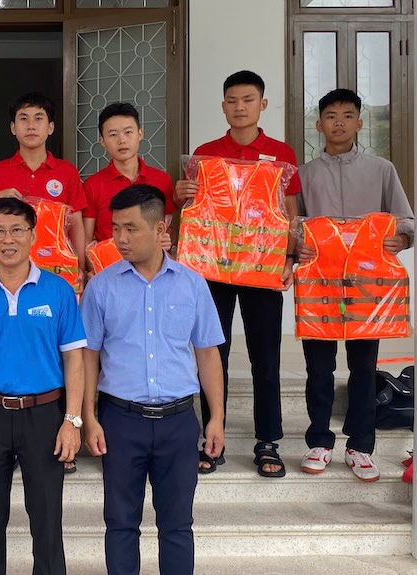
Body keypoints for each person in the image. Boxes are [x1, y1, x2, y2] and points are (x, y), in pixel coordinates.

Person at [80, 184, 225, 575]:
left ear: (160, 227)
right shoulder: (101, 287)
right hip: (120, 421)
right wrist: (88, 416)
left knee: (177, 525)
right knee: (121, 523)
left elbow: (208, 354)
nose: (121, 239)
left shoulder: (192, 284)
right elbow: (89, 356)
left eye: (131, 228)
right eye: (115, 228)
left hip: (179, 422)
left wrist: (216, 418)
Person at [0, 197, 86, 575]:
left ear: (33, 235)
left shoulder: (57, 291)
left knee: (47, 524)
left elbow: (75, 358)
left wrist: (72, 420)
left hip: (45, 415)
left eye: (17, 230)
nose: (8, 239)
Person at [173, 70, 299, 477]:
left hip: (262, 266)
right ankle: (214, 435)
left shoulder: (281, 154)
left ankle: (268, 440)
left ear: (262, 104)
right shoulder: (206, 153)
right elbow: (192, 212)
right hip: (214, 267)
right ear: (223, 105)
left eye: (248, 99)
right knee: (213, 352)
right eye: (232, 100)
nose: (239, 107)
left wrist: (289, 258)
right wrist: (182, 195)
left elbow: (290, 212)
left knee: (266, 357)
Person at [296, 89, 414, 482]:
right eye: (331, 116)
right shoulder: (306, 175)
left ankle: (361, 447)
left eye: (348, 115)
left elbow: (406, 221)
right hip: (320, 287)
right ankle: (319, 441)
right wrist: (296, 250)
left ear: (360, 123)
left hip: (367, 288)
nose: (339, 122)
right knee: (319, 367)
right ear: (319, 124)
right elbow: (293, 228)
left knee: (364, 367)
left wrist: (402, 238)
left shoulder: (382, 169)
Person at [0, 92, 87, 279]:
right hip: (6, 270)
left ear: (51, 127)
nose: (31, 125)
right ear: (13, 128)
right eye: (24, 119)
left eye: (38, 118)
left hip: (56, 268)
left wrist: (80, 265)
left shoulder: (67, 171)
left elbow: (76, 223)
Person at [82, 102, 174, 246]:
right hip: (110, 266)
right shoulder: (92, 185)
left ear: (140, 134)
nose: (122, 140)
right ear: (102, 141)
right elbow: (86, 242)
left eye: (128, 132)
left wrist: (167, 241)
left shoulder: (162, 180)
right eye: (113, 134)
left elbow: (169, 230)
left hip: (153, 266)